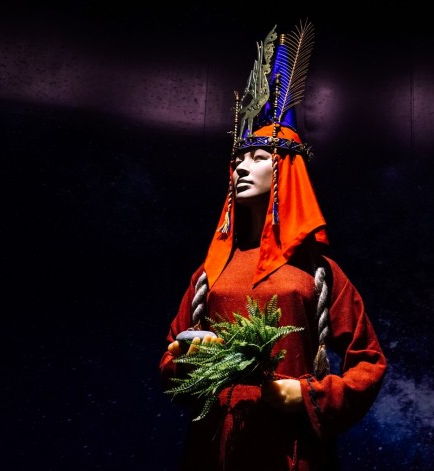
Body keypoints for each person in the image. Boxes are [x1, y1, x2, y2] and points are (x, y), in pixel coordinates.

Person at [159, 20, 387, 471]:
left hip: (290, 448)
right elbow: (169, 357)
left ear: (285, 170)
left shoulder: (319, 272)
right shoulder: (211, 270)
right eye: (239, 159)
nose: (242, 168)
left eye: (259, 157)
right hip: (216, 445)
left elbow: (370, 361)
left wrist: (309, 395)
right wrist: (187, 358)